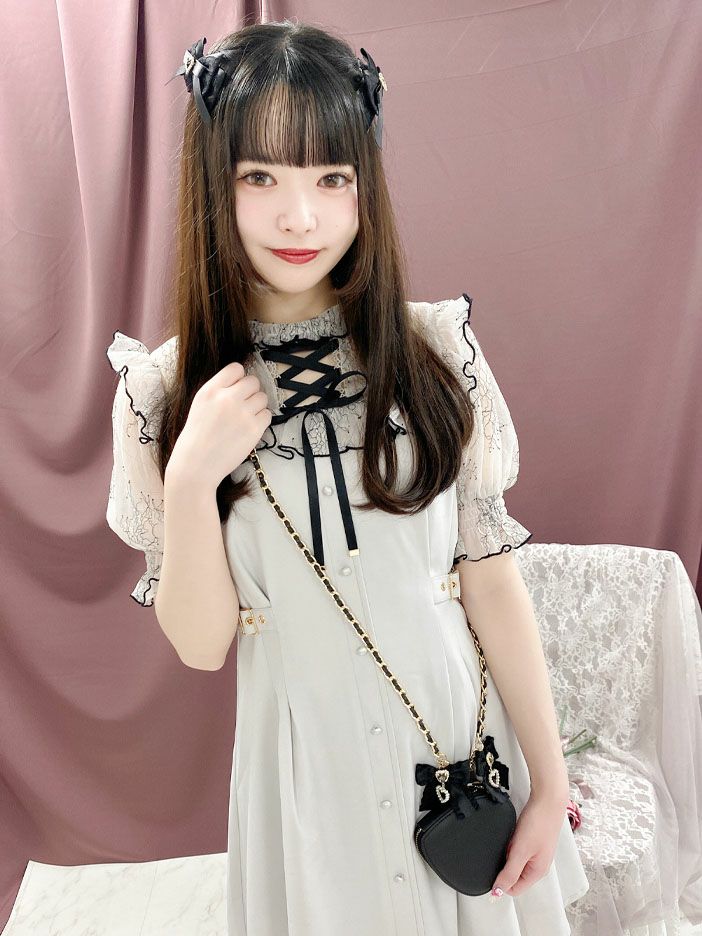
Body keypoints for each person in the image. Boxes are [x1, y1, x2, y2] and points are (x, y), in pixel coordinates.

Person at [105, 20, 590, 935]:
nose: (302, 218)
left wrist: (550, 779)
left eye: (333, 178)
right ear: (214, 183)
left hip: (458, 749)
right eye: (261, 178)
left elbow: (489, 579)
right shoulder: (166, 395)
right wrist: (192, 477)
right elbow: (203, 645)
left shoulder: (435, 352)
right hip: (305, 773)